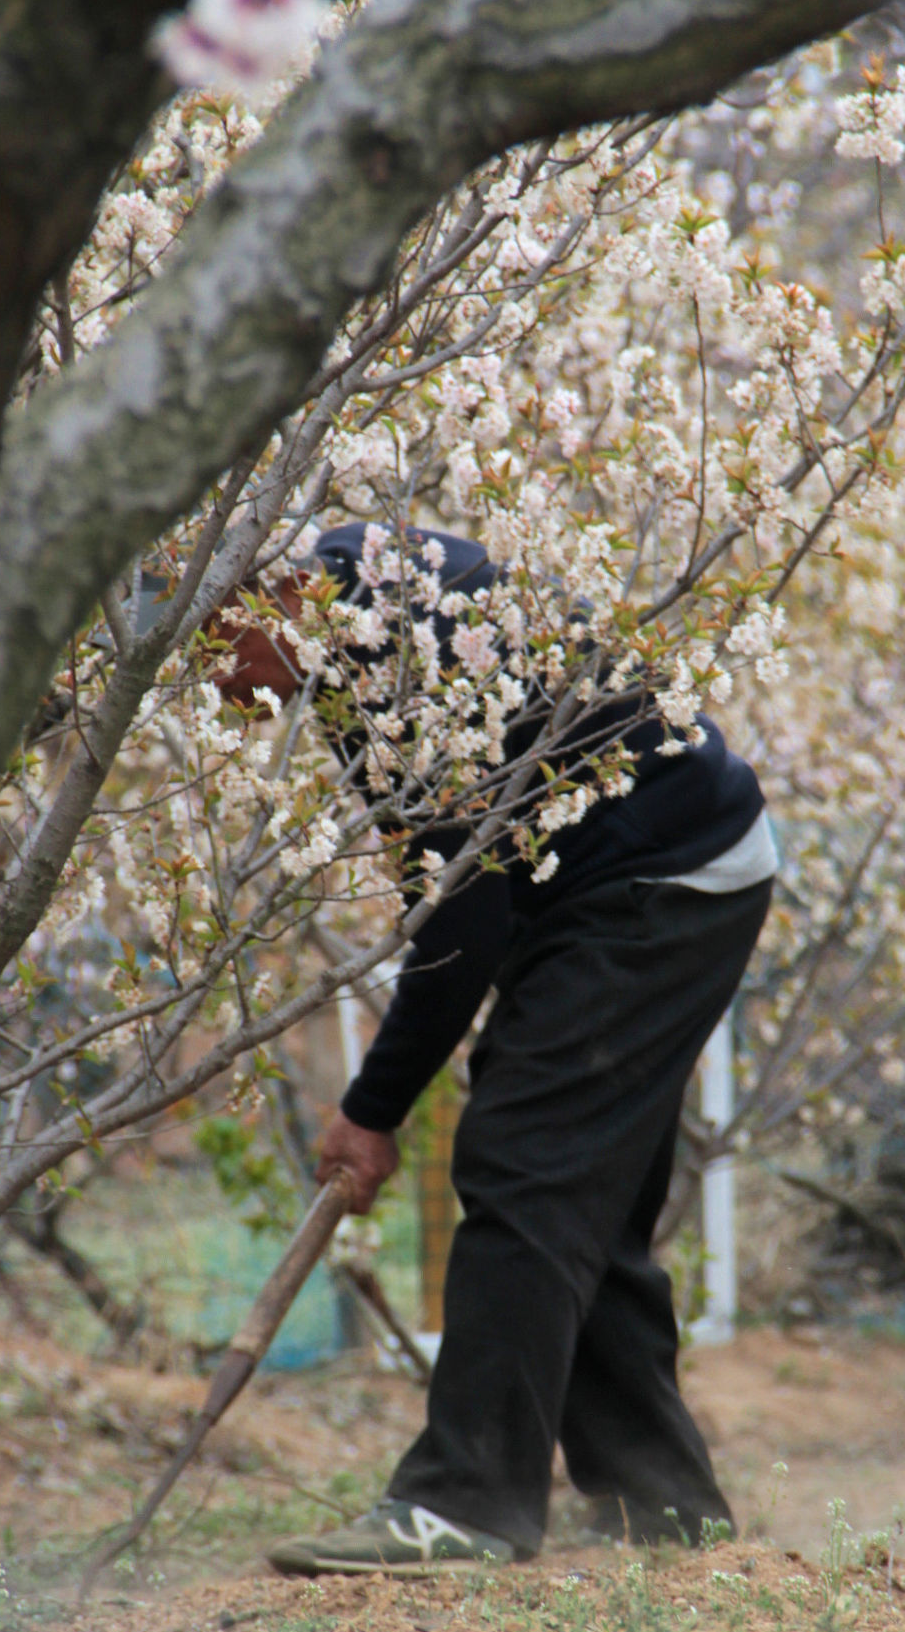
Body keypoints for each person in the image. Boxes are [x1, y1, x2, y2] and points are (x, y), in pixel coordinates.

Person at [218, 524, 775, 1573]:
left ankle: (463, 1501)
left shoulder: (404, 638)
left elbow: (459, 919)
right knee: (576, 1196)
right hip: (612, 883)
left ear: (274, 591)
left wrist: (373, 1109)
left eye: (217, 645)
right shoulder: (347, 637)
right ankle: (664, 1509)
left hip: (666, 877)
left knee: (524, 1162)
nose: (215, 686)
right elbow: (448, 881)